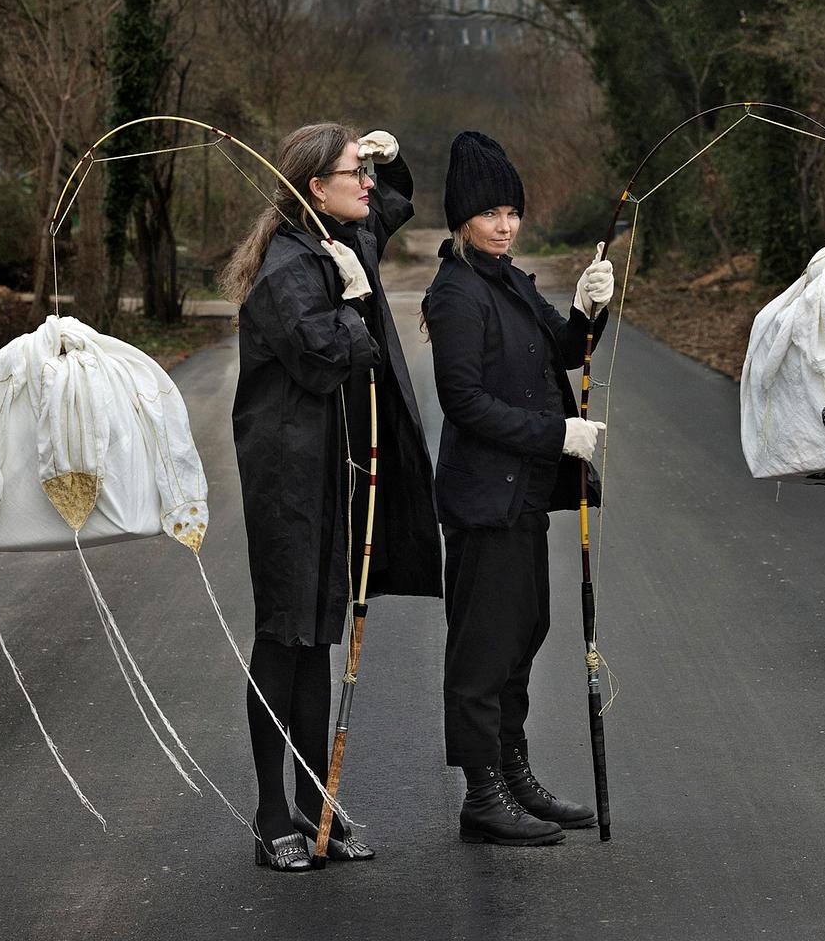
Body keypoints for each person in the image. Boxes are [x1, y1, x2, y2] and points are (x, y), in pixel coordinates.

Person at [221, 122, 441, 872]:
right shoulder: (289, 268)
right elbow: (322, 359)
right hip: (287, 475)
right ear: (316, 187)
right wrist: (352, 307)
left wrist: (391, 155)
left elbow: (399, 199)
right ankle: (270, 813)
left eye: (365, 170)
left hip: (332, 468)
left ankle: (315, 805)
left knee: (318, 634)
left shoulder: (341, 237)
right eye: (356, 172)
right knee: (285, 634)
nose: (368, 185)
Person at [421, 129, 616, 847]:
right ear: (462, 218)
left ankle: (514, 774)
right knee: (482, 650)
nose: (505, 226)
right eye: (490, 213)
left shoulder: (507, 278)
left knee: (520, 637)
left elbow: (562, 351)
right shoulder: (456, 293)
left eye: (513, 212)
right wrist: (554, 434)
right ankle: (482, 794)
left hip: (523, 496)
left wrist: (588, 310)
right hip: (484, 500)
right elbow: (464, 402)